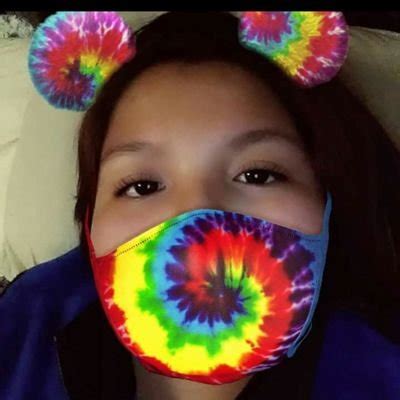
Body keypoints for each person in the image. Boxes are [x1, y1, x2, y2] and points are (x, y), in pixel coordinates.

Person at [1, 12, 399, 400]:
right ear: (90, 225)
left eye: (257, 175)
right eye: (142, 186)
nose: (196, 218)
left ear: (327, 203)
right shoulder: (22, 326)